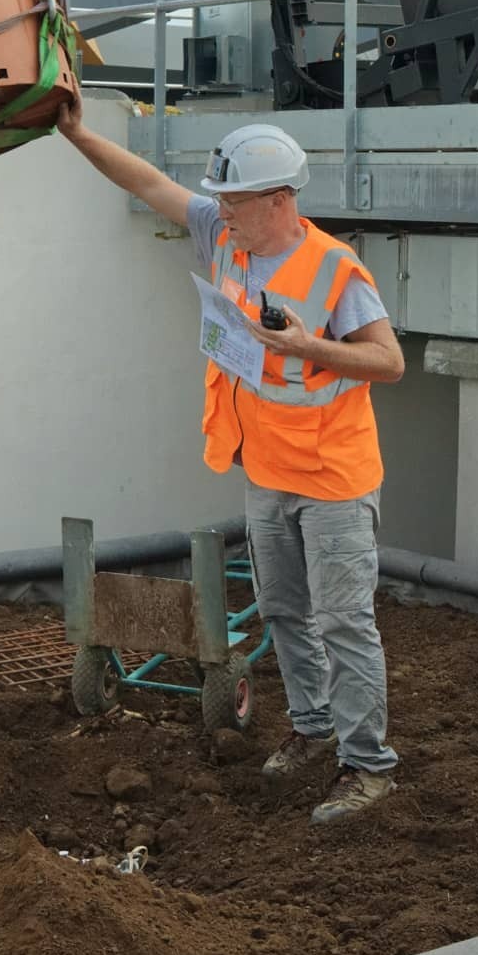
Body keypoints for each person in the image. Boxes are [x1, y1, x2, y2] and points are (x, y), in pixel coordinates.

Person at [56, 99, 407, 826]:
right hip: (268, 473)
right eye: (220, 201)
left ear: (279, 202)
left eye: (237, 202)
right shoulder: (225, 237)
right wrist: (79, 132)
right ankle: (312, 731)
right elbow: (148, 184)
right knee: (284, 611)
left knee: (344, 622)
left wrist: (310, 348)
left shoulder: (337, 270)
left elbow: (389, 361)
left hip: (334, 481)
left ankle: (368, 768)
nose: (222, 214)